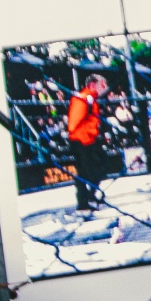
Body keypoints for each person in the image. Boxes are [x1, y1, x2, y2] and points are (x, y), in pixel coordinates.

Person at [67, 73, 111, 211]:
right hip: (82, 140)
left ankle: (90, 196)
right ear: (92, 85)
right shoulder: (83, 98)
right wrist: (87, 132)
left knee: (98, 168)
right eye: (102, 85)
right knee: (85, 171)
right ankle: (84, 201)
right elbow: (73, 124)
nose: (104, 88)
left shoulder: (91, 99)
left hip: (89, 139)